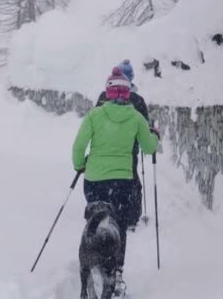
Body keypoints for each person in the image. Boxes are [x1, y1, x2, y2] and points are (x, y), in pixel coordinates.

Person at [72, 67, 159, 292]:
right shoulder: (137, 117)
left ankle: (89, 264)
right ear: (128, 93)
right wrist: (154, 135)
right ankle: (116, 273)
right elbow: (149, 148)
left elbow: (79, 146)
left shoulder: (95, 115)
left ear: (107, 93)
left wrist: (79, 165)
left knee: (95, 218)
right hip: (122, 183)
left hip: (94, 180)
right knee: (118, 225)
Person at [95, 60, 149, 231]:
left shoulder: (103, 97)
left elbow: (96, 118)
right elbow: (144, 126)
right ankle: (130, 217)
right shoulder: (138, 100)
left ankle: (106, 214)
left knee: (106, 179)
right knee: (130, 179)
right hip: (129, 147)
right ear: (131, 78)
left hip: (104, 146)